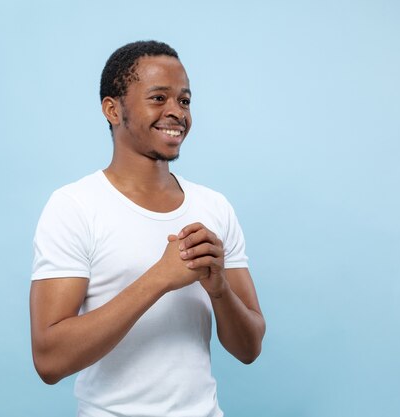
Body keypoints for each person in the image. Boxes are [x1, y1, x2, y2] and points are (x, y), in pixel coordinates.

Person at [30, 40, 265, 417]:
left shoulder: (214, 207)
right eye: (158, 98)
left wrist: (219, 288)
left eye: (184, 101)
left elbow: (249, 348)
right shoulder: (74, 206)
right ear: (113, 109)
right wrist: (159, 278)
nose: (176, 113)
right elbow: (49, 360)